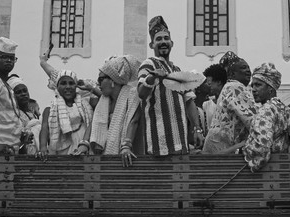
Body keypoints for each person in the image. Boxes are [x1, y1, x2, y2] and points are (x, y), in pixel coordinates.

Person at [127, 16, 204, 162]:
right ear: (152, 45)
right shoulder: (148, 65)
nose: (163, 42)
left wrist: (197, 129)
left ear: (172, 43)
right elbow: (141, 94)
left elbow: (189, 101)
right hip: (159, 146)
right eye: (158, 39)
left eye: (166, 38)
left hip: (181, 144)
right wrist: (151, 79)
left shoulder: (177, 70)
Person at [242, 63, 290, 171]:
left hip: (266, 176)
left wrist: (251, 161)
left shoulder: (265, 111)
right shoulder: (289, 112)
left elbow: (261, 148)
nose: (253, 89)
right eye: (252, 85)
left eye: (258, 85)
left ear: (270, 89)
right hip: (285, 172)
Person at [88, 55, 141, 155]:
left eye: (100, 79)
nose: (98, 84)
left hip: (127, 153)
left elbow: (133, 121)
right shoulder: (104, 100)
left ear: (112, 80)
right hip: (103, 155)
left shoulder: (132, 94)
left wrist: (126, 146)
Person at [201, 62, 257, 154]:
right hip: (223, 152)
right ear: (232, 74)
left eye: (248, 68)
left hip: (218, 150)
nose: (248, 71)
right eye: (243, 68)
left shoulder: (229, 88)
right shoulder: (234, 87)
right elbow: (253, 121)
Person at [38, 70, 92, 156]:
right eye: (63, 83)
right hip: (61, 151)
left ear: (76, 86)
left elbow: (105, 100)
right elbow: (45, 128)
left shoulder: (85, 104)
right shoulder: (50, 109)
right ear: (57, 86)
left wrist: (90, 88)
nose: (68, 87)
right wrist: (43, 147)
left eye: (71, 83)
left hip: (84, 148)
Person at [8, 75, 40, 155]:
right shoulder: (11, 114)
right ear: (12, 96)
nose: (23, 94)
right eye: (18, 92)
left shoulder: (32, 114)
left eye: (25, 91)